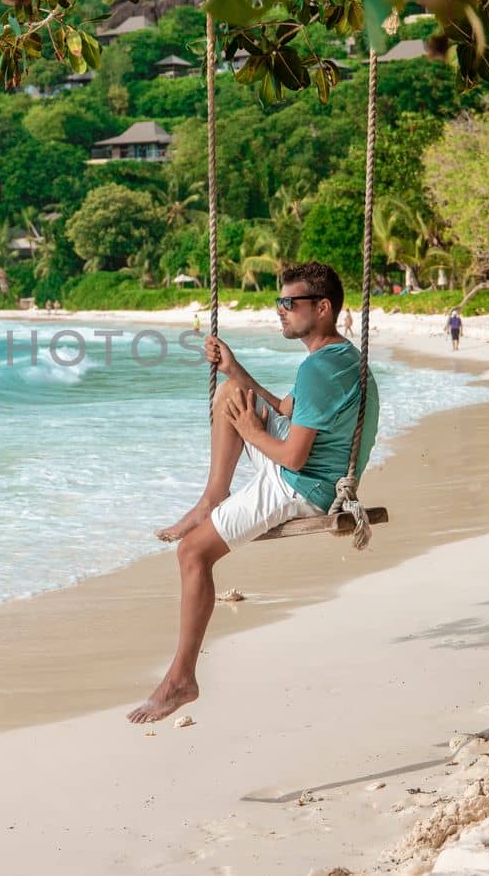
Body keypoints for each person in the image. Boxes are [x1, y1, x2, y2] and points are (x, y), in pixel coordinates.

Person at [131, 261, 380, 724]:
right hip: (309, 472)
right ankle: (213, 496)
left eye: (291, 303)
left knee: (192, 553)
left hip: (302, 487)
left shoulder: (319, 371)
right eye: (279, 302)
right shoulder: (335, 357)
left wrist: (250, 429)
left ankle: (182, 679)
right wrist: (236, 369)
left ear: (322, 308)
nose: (280, 310)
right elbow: (286, 409)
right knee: (230, 393)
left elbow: (293, 458)